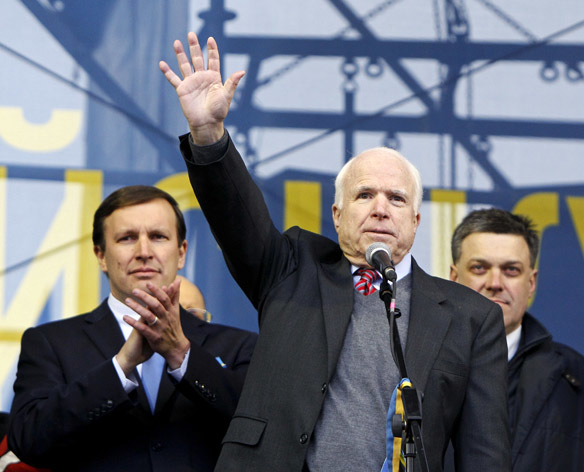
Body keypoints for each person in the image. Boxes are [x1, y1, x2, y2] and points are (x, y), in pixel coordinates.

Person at [158, 32, 510, 471]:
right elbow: (236, 216)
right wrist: (209, 135)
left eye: (397, 199)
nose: (381, 208)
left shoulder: (471, 317)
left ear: (416, 223)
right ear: (338, 214)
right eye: (364, 195)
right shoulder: (291, 268)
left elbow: (485, 455)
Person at [8, 185, 257, 472]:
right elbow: (28, 441)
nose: (144, 251)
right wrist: (120, 366)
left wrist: (181, 355)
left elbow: (267, 432)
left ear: (181, 253)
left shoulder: (239, 346)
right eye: (127, 238)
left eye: (158, 236)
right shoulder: (50, 343)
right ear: (100, 256)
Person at [449, 208, 584, 472]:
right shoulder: (415, 366)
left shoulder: (581, 380)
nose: (495, 282)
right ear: (454, 278)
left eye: (511, 270)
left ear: (531, 283)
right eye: (479, 268)